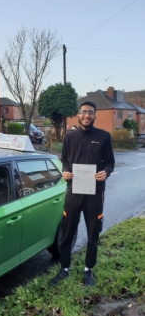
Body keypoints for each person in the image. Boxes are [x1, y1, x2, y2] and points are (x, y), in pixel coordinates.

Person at [49, 101, 115, 287]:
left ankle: (88, 270)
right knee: (67, 231)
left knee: (93, 232)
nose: (87, 115)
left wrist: (106, 172)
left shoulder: (104, 137)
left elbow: (110, 162)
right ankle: (64, 269)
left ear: (94, 116)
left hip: (95, 193)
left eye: (90, 113)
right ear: (78, 115)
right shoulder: (69, 138)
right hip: (74, 192)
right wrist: (66, 171)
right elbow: (65, 162)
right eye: (84, 112)